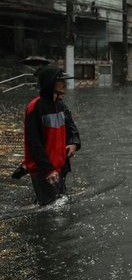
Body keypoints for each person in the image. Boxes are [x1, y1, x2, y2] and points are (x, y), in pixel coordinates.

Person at [23, 65, 81, 205]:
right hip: (44, 170)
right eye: (61, 80)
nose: (65, 84)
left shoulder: (60, 106)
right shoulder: (35, 107)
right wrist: (48, 170)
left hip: (60, 166)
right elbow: (34, 143)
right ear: (50, 82)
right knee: (51, 211)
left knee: (59, 205)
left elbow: (71, 128)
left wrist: (74, 143)